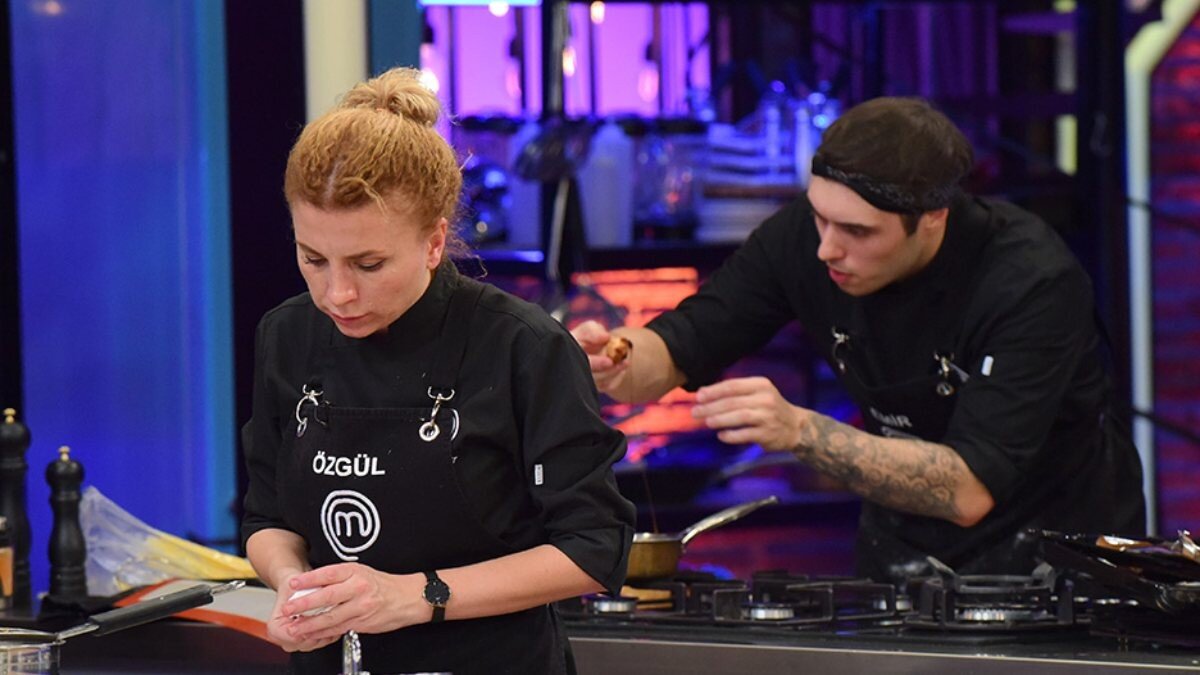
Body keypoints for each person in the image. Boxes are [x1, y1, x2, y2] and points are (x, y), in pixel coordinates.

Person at [573, 97, 1145, 585]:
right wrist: (617, 359)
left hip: (1055, 558)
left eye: (857, 231)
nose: (827, 248)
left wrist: (800, 431)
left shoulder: (1030, 281)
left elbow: (970, 489)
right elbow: (684, 341)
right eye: (819, 217)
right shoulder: (807, 239)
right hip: (904, 557)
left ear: (933, 217)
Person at [240, 67, 634, 674]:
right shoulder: (286, 336)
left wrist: (414, 596)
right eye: (313, 258)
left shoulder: (522, 346)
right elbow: (266, 517)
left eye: (369, 264)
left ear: (432, 242)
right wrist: (294, 583)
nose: (337, 293)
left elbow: (593, 547)